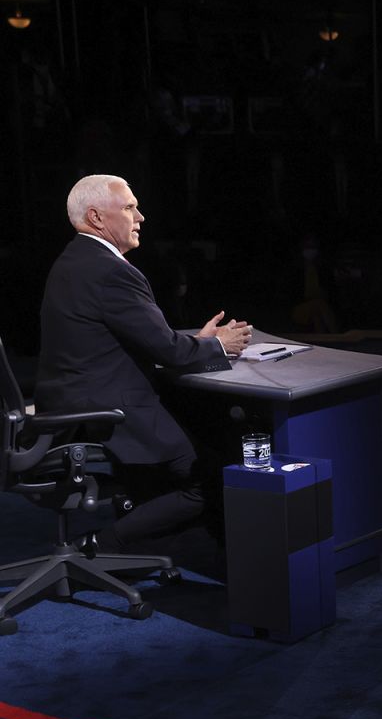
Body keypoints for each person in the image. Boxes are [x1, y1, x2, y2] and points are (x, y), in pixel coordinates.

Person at [35, 174, 253, 553]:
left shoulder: (71, 260)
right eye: (130, 208)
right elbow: (169, 352)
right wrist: (218, 346)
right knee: (209, 476)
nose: (141, 217)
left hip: (72, 404)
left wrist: (196, 343)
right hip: (107, 411)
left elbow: (143, 340)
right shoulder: (111, 272)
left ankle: (142, 525)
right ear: (97, 217)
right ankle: (100, 545)